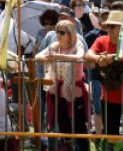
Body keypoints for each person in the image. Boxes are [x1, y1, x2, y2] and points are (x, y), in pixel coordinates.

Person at [86, 10, 123, 151]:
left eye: (112, 26)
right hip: (109, 96)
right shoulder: (101, 40)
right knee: (111, 136)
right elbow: (88, 55)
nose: (108, 29)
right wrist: (100, 58)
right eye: (108, 26)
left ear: (122, 27)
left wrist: (112, 57)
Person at [36, 20, 87, 151]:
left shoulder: (78, 44)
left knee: (79, 125)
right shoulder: (54, 45)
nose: (58, 34)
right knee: (63, 125)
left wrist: (58, 57)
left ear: (70, 34)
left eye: (62, 32)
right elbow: (38, 56)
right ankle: (67, 147)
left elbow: (80, 57)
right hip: (57, 92)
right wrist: (49, 57)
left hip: (75, 92)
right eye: (57, 31)